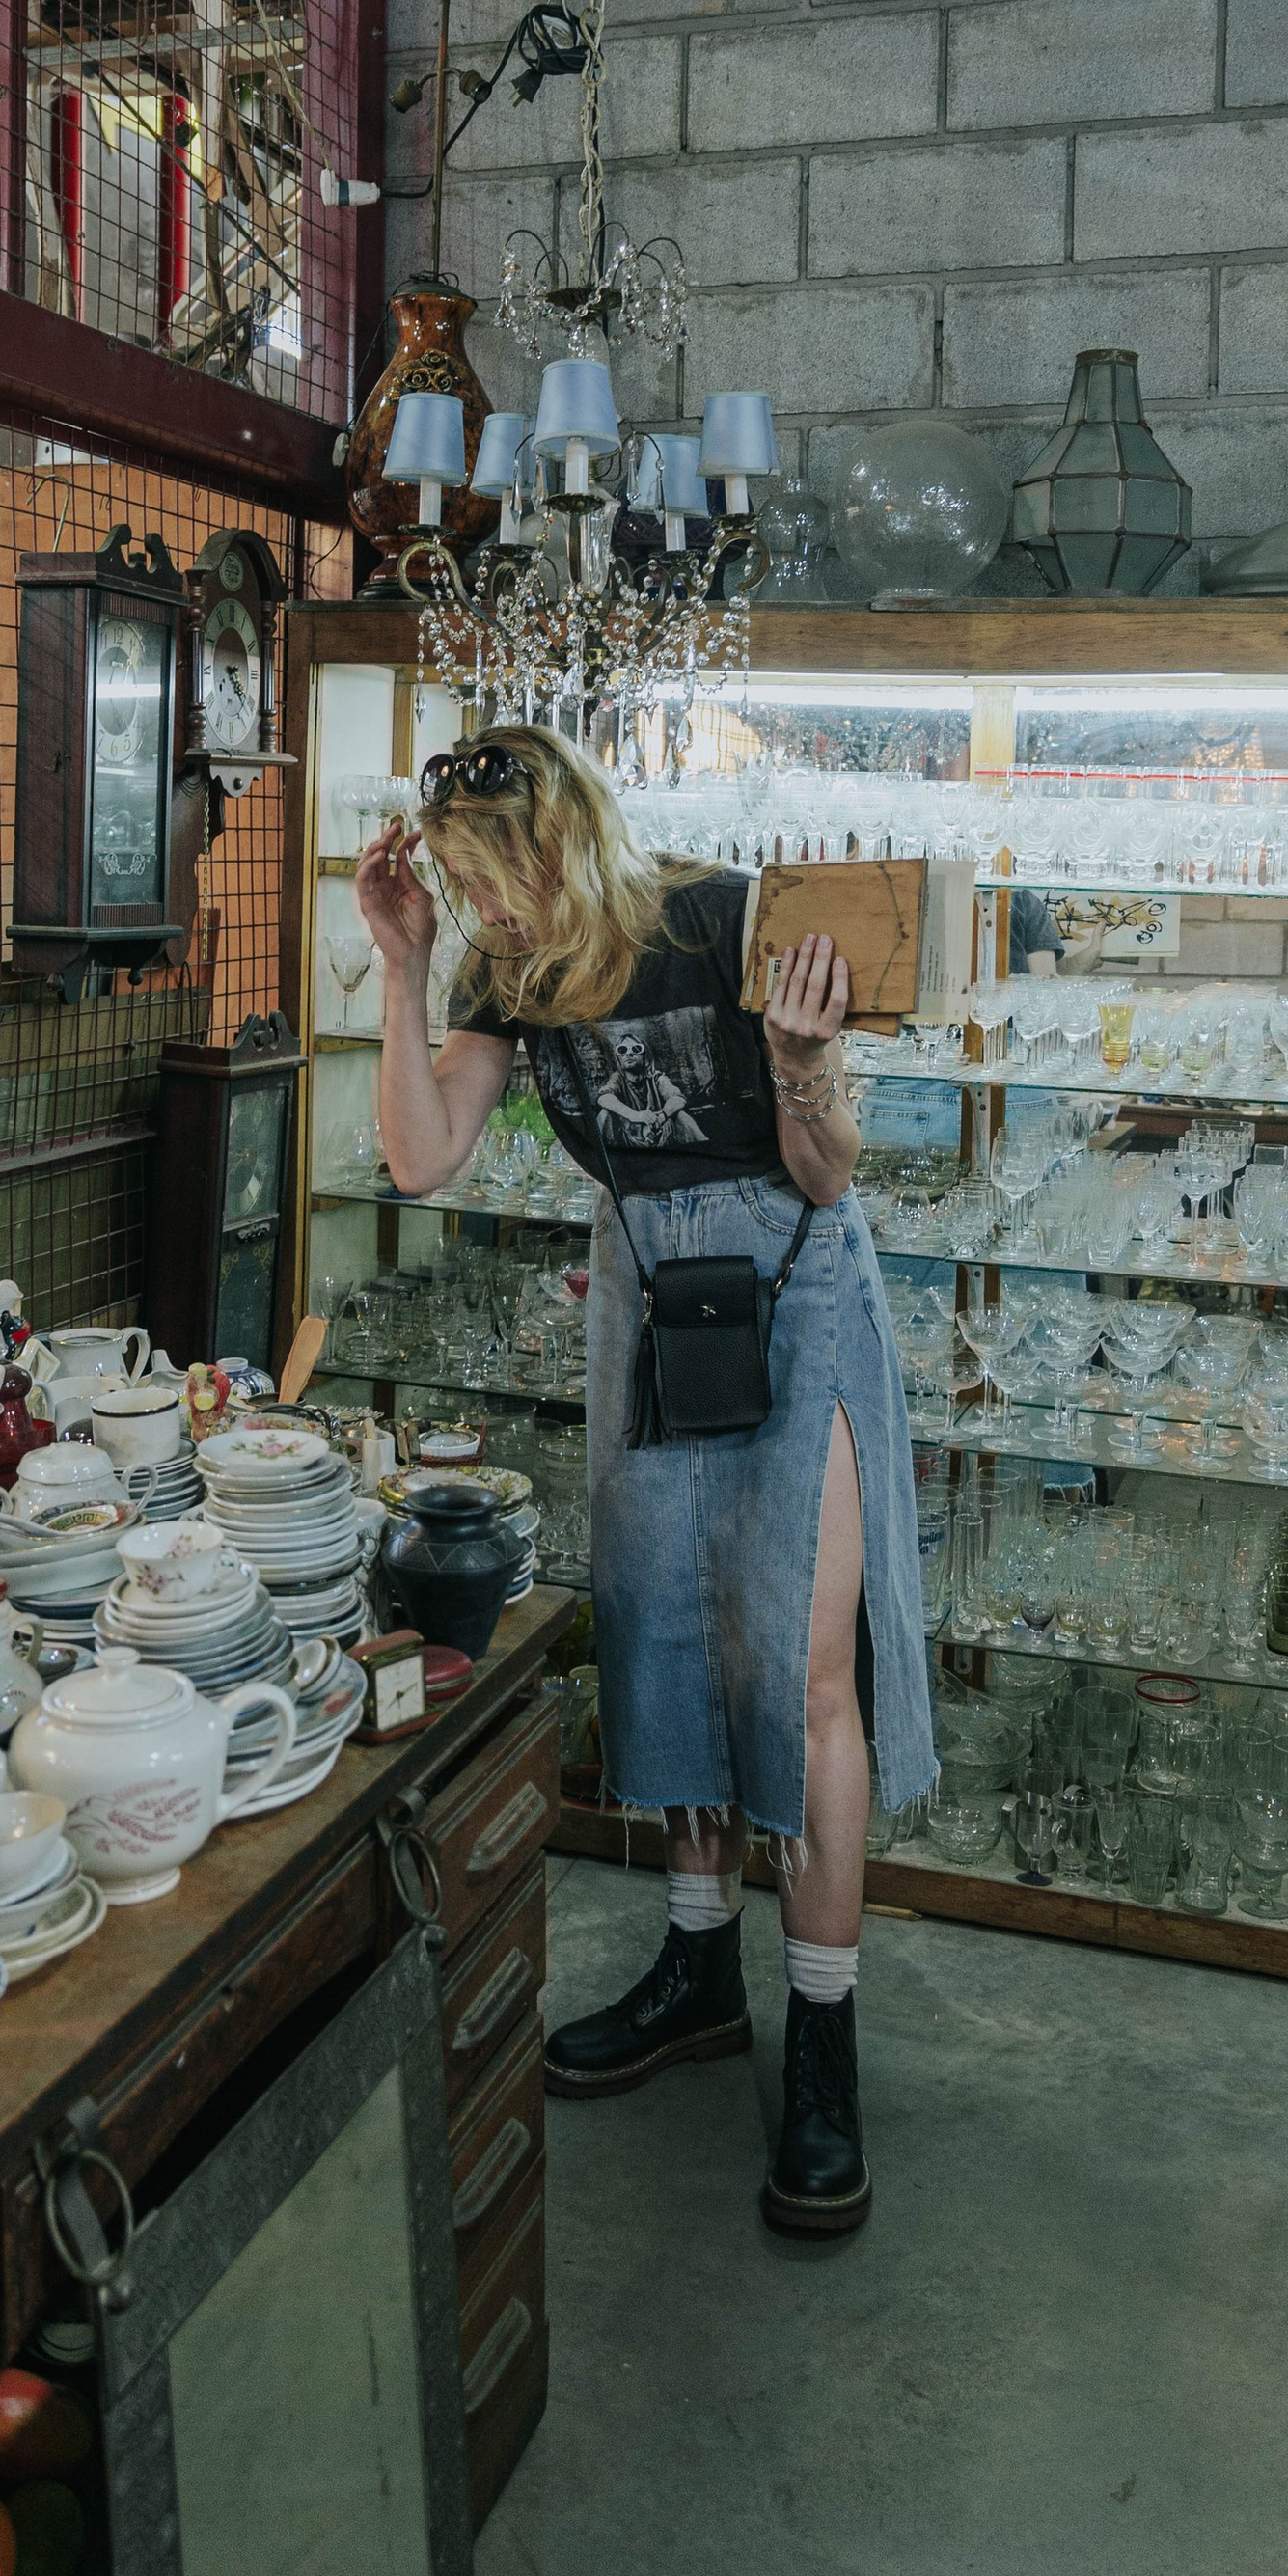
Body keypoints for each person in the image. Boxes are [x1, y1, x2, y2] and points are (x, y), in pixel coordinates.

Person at [355, 729, 934, 2241]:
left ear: (564, 847)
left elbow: (830, 1174)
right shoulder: (495, 969)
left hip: (796, 1289)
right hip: (652, 1298)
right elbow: (420, 1161)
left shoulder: (724, 917)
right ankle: (697, 1965)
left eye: (499, 887)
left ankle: (823, 2039)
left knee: (803, 1672)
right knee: (660, 1631)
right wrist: (404, 963)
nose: (494, 917)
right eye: (467, 895)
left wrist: (802, 1067)